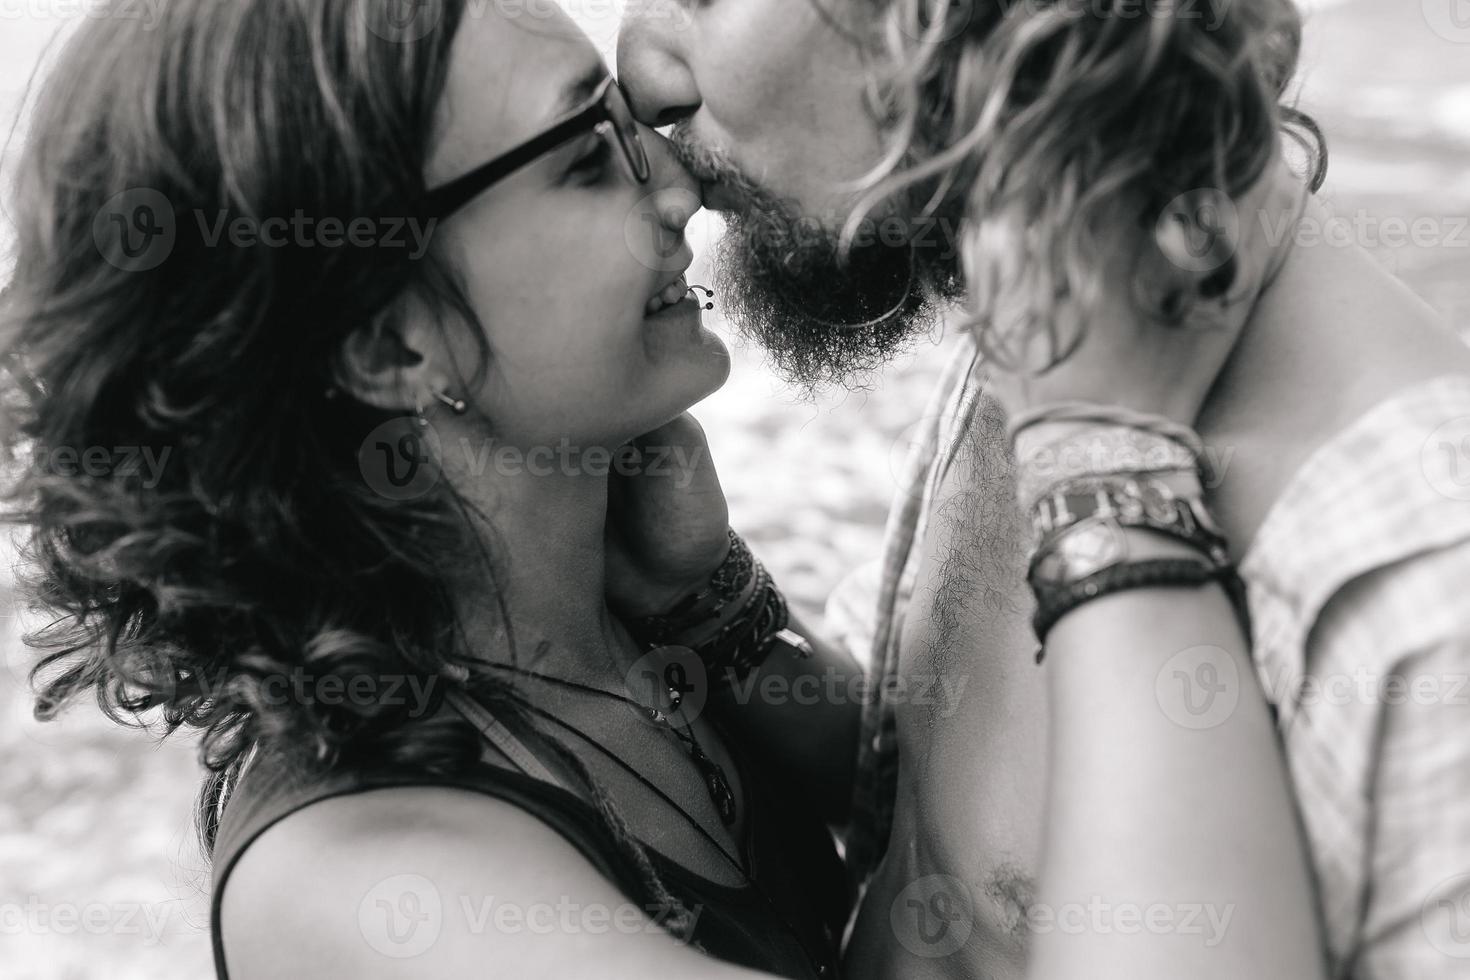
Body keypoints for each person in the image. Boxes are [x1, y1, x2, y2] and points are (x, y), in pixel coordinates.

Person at [1, 1, 1324, 979]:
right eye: (587, 155)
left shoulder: (590, 630)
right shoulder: (373, 880)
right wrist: (1110, 461)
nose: (683, 180)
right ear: (386, 339)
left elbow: (898, 830)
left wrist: (718, 605)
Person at [618, 0, 1470, 977]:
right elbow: (941, 809)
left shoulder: (1425, 588)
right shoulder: (1056, 315)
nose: (642, 74)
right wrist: (709, 602)